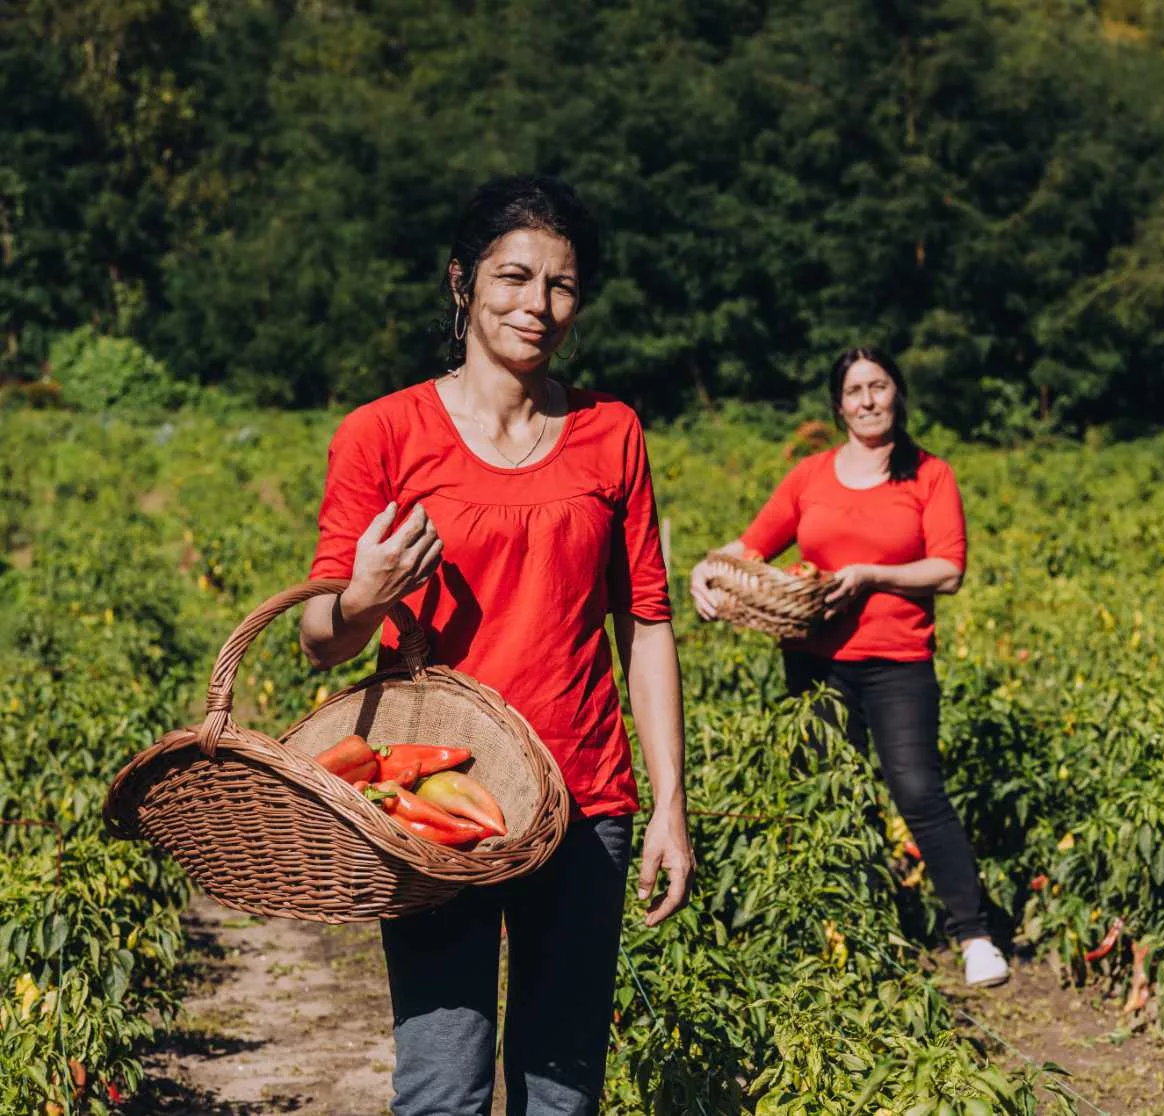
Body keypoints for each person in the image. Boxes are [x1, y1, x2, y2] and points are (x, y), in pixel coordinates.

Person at [298, 174, 692, 1116]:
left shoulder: (612, 434)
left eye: (561, 285)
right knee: (442, 1087)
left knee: (563, 1092)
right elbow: (321, 640)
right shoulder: (383, 434)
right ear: (463, 283)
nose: (538, 305)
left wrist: (670, 803)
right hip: (438, 806)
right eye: (514, 278)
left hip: (586, 797)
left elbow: (646, 624)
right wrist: (364, 595)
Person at [689, 348, 1009, 988]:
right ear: (838, 405)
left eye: (879, 386)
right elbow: (752, 544)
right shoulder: (811, 476)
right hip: (814, 662)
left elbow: (948, 569)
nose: (867, 400)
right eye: (855, 390)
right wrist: (706, 567)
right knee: (831, 794)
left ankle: (974, 934)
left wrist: (869, 576)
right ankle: (853, 931)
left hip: (897, 660)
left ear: (897, 395)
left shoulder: (928, 476)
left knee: (918, 791)